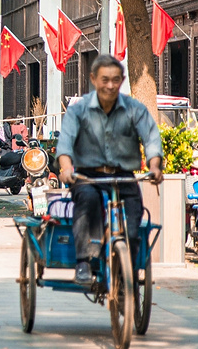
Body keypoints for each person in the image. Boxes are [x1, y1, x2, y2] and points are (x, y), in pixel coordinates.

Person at [56, 54, 164, 285]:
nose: (110, 85)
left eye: (115, 80)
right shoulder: (79, 110)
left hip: (124, 176)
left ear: (122, 80)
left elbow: (151, 138)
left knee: (135, 220)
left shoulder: (134, 109)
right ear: (94, 79)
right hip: (87, 176)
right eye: (105, 79)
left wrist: (154, 165)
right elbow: (65, 144)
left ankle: (130, 271)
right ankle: (84, 261)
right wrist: (66, 168)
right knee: (88, 202)